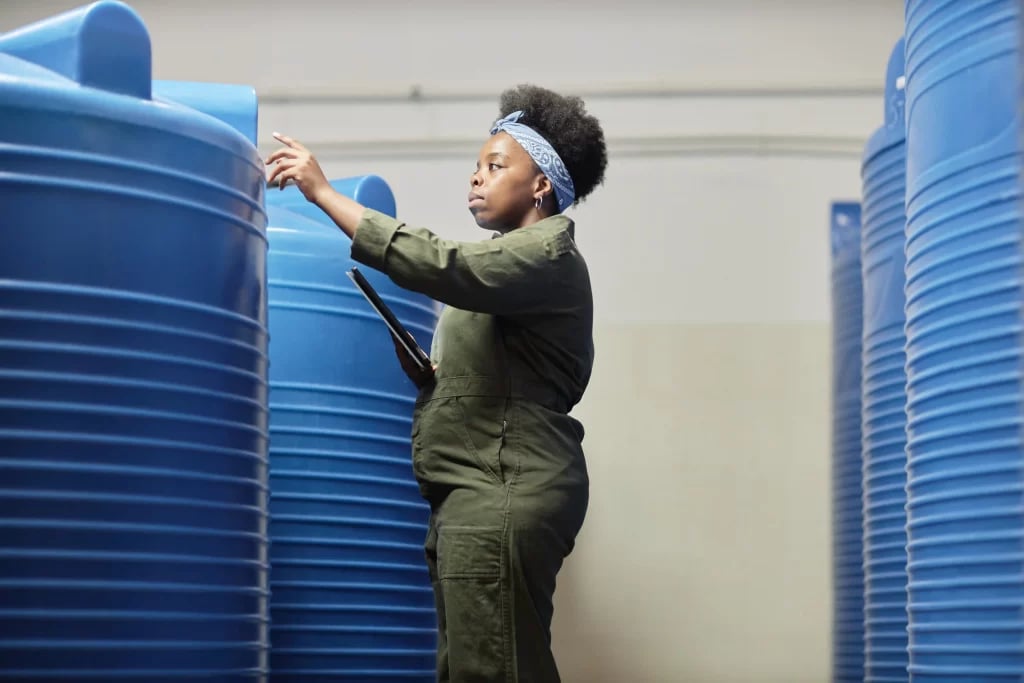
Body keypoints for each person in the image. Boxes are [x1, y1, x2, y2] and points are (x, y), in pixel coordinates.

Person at [266, 83, 608, 683]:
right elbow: (506, 373)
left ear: (541, 186)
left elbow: (447, 266)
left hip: (501, 487)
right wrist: (438, 378)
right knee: (477, 665)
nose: (476, 178)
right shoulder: (515, 267)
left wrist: (323, 195)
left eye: (496, 166)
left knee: (492, 668)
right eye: (475, 166)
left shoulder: (543, 254)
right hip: (475, 487)